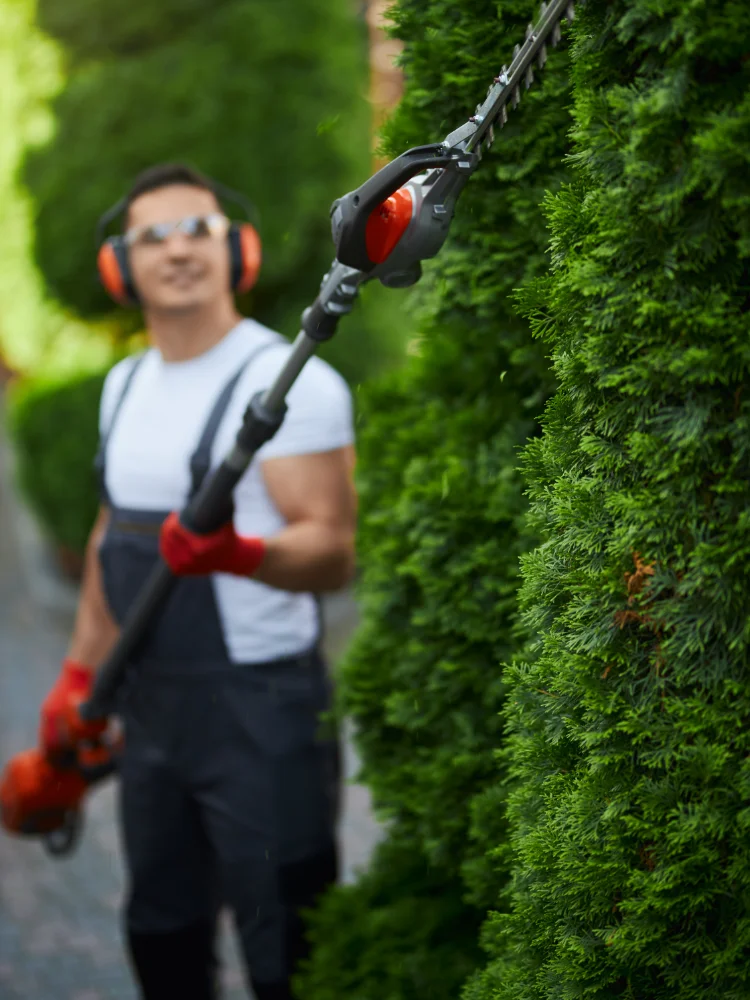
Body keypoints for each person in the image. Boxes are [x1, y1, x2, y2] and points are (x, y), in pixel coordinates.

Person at [37, 163, 357, 1000]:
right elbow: (112, 538)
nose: (178, 249)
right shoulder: (123, 386)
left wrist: (238, 554)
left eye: (198, 230)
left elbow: (332, 552)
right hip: (153, 717)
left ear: (236, 251)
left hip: (263, 715)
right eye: (153, 236)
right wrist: (77, 678)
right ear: (121, 265)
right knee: (161, 935)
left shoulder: (290, 384)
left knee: (289, 949)